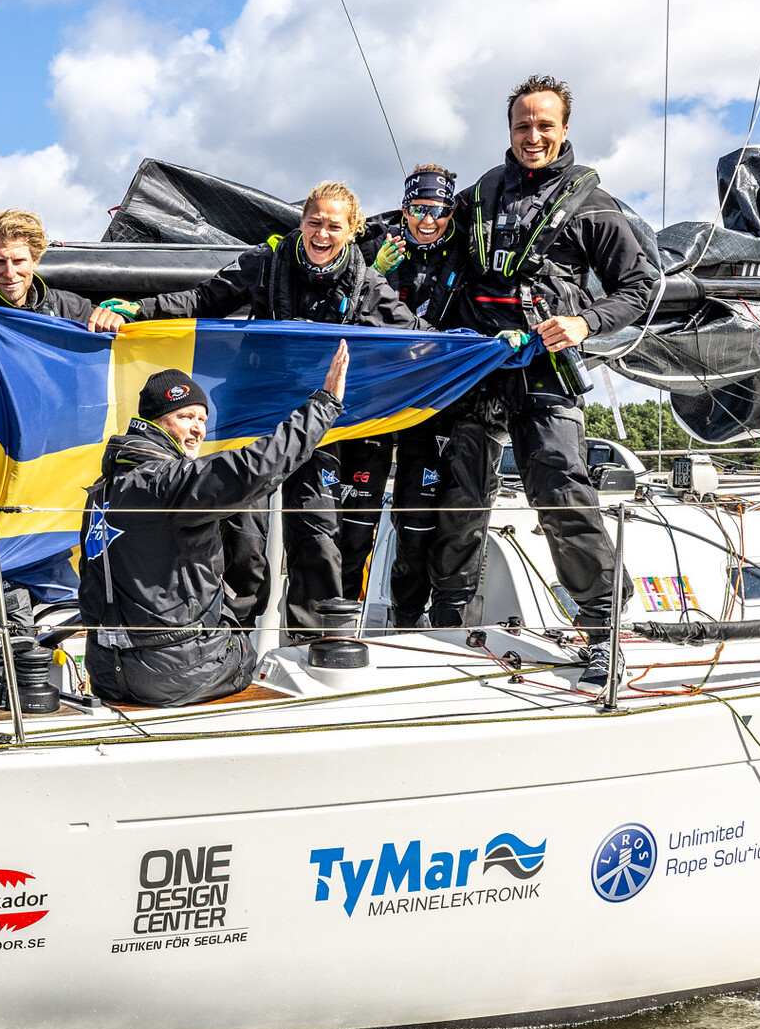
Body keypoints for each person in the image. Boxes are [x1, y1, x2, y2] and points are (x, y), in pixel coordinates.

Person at [98, 182, 421, 637]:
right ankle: (234, 638)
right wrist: (138, 310)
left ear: (352, 231)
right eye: (313, 222)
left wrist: (484, 345)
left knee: (317, 535)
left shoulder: (367, 284)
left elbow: (419, 336)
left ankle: (316, 641)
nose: (321, 234)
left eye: (334, 226)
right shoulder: (267, 262)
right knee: (244, 539)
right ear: (301, 222)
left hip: (317, 422)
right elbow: (203, 299)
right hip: (254, 411)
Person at [428, 75, 659, 692]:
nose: (533, 136)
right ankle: (447, 625)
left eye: (544, 126)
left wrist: (585, 322)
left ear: (564, 130)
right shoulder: (478, 196)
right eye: (522, 126)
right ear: (509, 130)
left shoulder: (594, 206)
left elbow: (640, 287)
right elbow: (421, 237)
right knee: (458, 500)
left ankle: (603, 631)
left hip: (545, 369)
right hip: (476, 369)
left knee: (560, 493)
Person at [79, 346, 350, 707]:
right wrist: (325, 404)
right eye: (186, 416)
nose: (198, 429)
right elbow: (258, 466)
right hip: (176, 675)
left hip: (107, 673)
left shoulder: (102, 491)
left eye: (202, 419)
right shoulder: (166, 482)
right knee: (251, 652)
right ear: (155, 422)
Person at [0, 209, 126, 636]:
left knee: (68, 624)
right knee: (5, 630)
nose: (9, 272)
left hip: (55, 491)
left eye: (18, 260)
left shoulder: (72, 310)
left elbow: (117, 368)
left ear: (35, 259)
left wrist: (118, 321)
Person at [340, 164, 472, 620]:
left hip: (430, 399)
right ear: (404, 209)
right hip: (374, 396)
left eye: (438, 210)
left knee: (416, 524)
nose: (427, 220)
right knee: (355, 519)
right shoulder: (373, 244)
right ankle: (337, 623)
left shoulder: (466, 251)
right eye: (417, 209)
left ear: (451, 210)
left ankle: (407, 621)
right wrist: (373, 271)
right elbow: (334, 305)